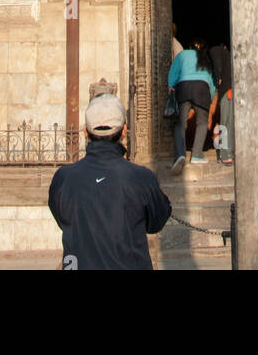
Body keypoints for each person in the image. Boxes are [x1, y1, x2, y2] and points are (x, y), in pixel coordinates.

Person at [48, 94, 171, 271]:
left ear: (85, 131)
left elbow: (64, 220)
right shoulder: (141, 178)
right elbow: (156, 222)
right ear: (123, 131)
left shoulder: (63, 178)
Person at [168, 36, 217, 172]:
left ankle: (180, 155)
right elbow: (211, 80)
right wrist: (211, 97)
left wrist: (171, 86)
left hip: (183, 86)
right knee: (201, 122)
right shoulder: (205, 58)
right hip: (202, 89)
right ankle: (196, 155)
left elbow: (174, 72)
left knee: (180, 123)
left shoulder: (182, 55)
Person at [210, 41, 234, 165]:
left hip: (228, 92)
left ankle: (225, 153)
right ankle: (225, 154)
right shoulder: (227, 54)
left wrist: (219, 77)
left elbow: (218, 65)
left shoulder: (216, 51)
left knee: (226, 123)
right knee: (228, 123)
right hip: (229, 91)